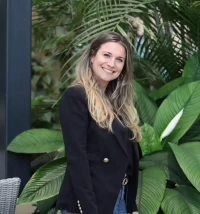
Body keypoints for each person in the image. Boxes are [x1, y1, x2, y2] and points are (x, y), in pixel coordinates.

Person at [56, 31, 142, 214]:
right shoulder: (76, 96)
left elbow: (129, 160)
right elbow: (77, 158)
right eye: (107, 55)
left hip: (120, 200)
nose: (112, 64)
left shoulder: (120, 103)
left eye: (119, 59)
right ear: (92, 56)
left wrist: (131, 205)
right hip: (91, 203)